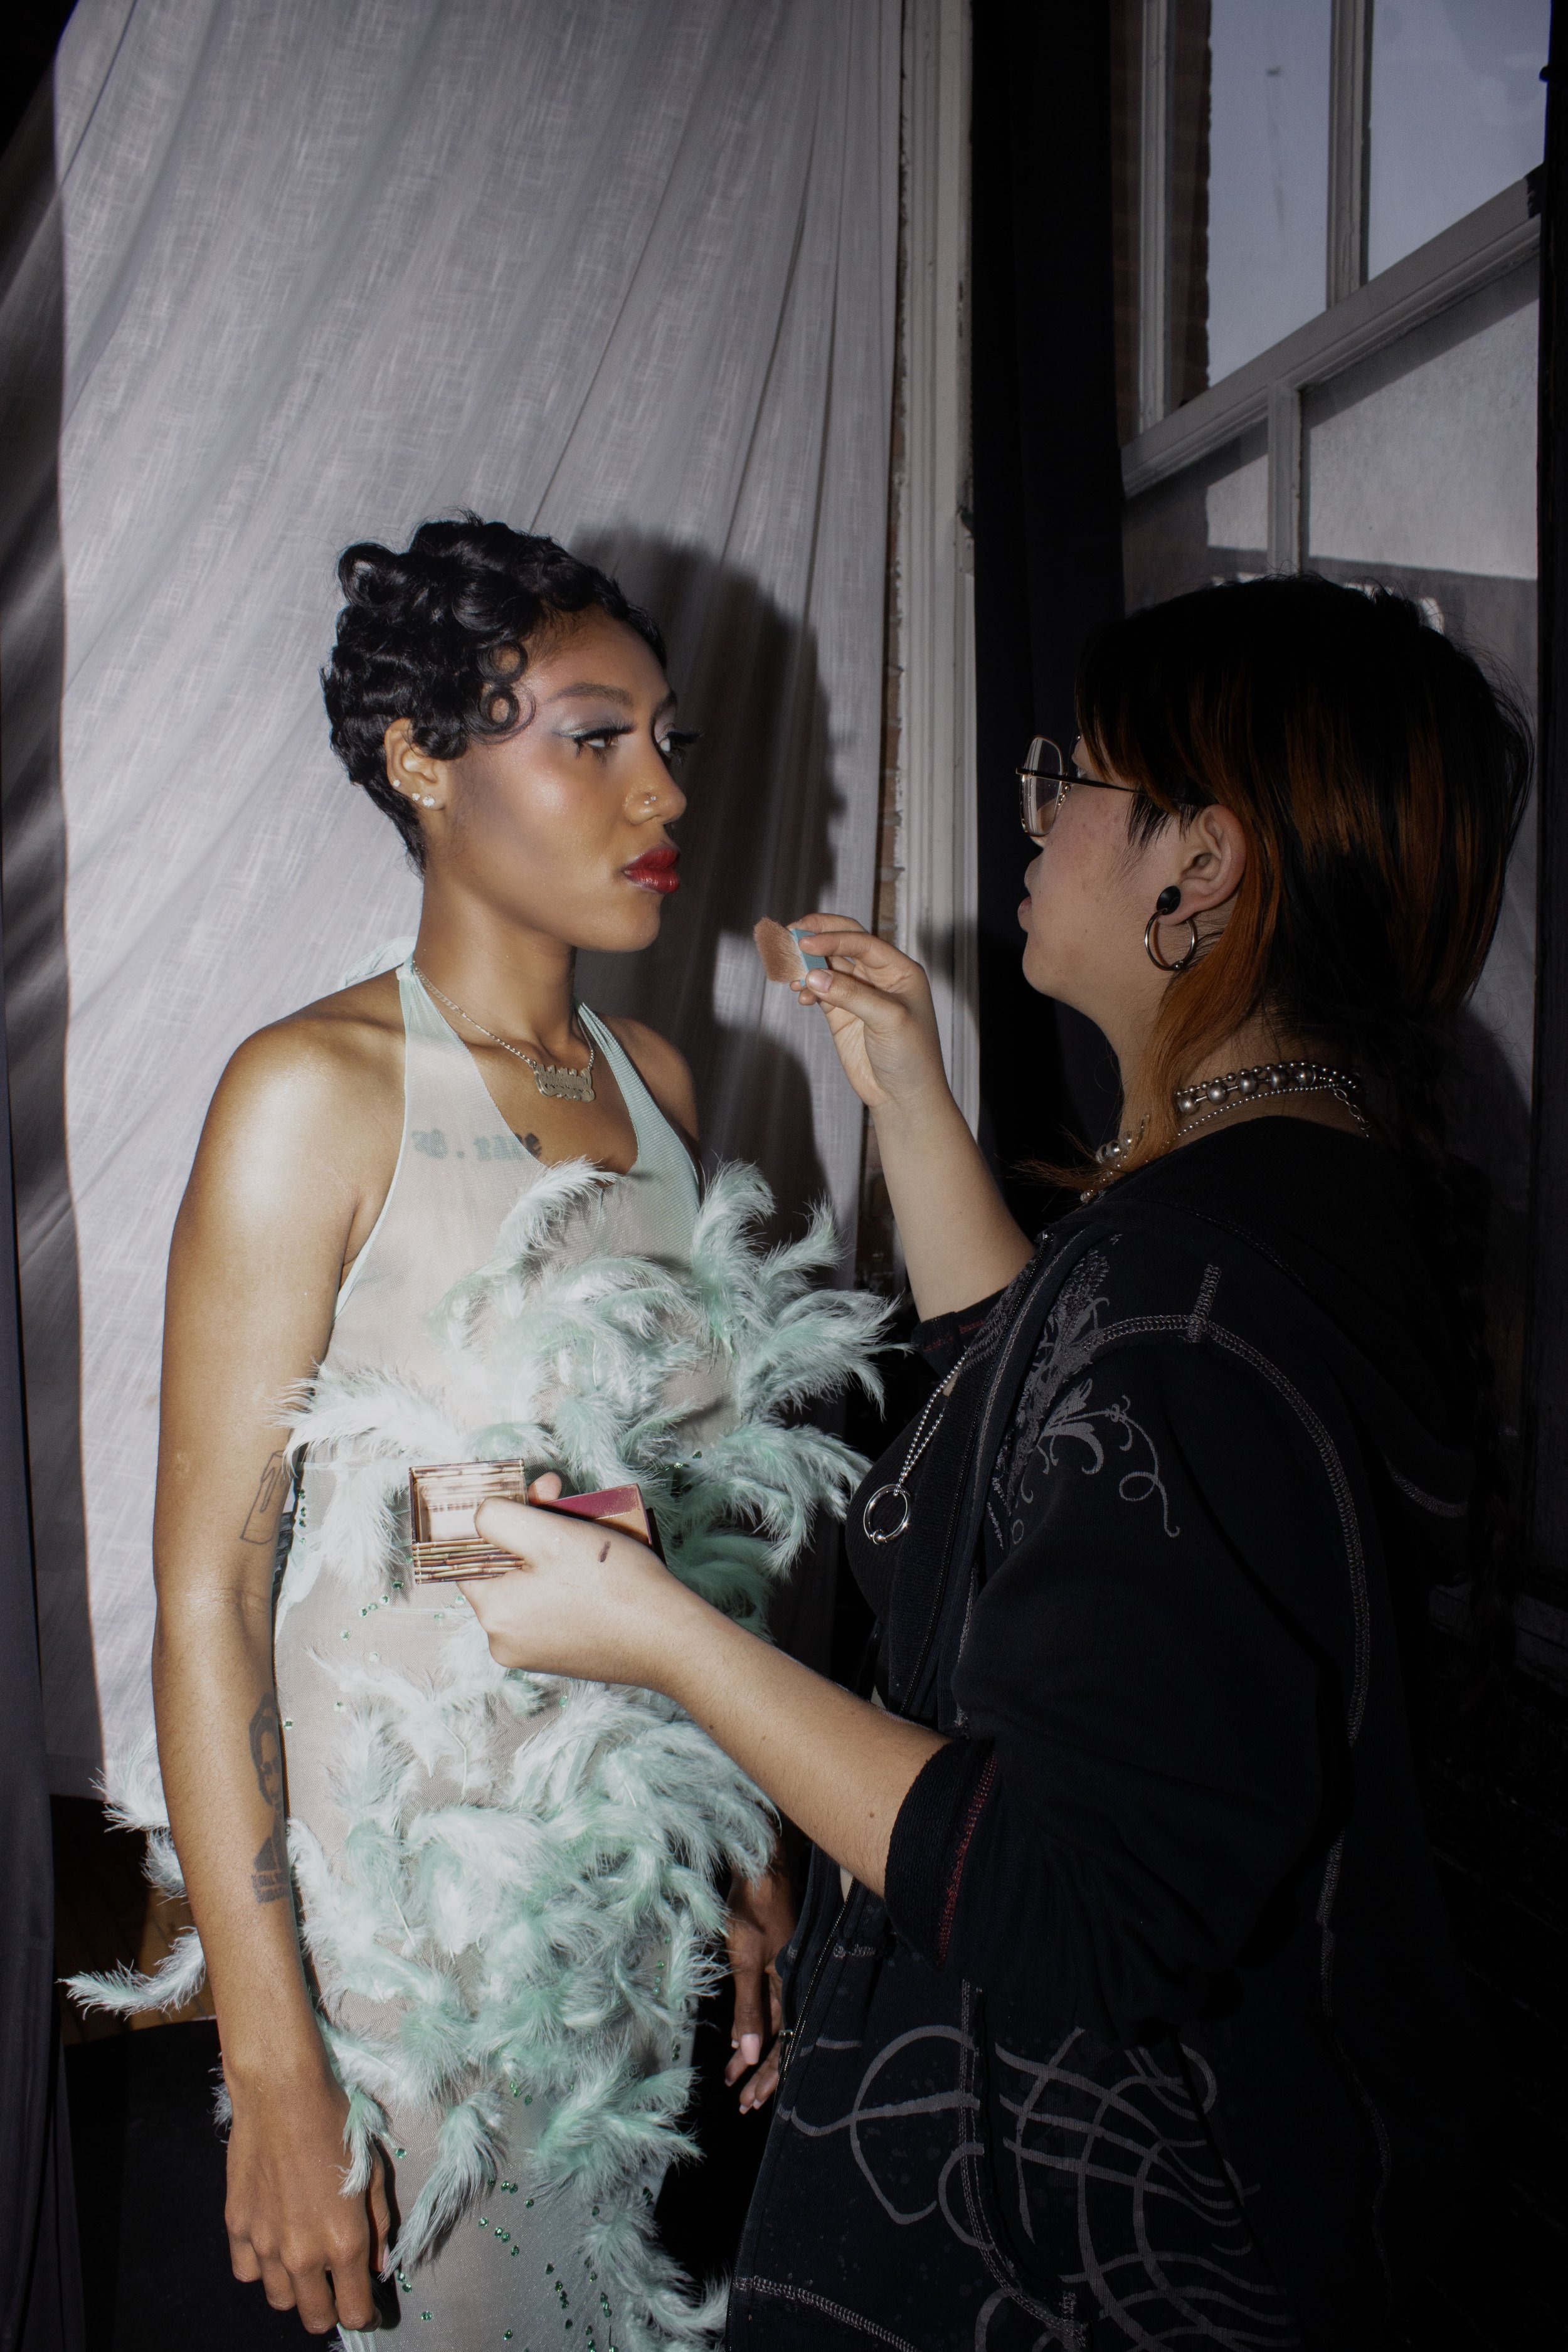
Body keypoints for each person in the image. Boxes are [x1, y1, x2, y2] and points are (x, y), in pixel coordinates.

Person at [457, 575, 1530, 2351]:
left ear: (1201, 864)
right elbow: (1072, 1448)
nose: (1038, 816)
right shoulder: (1327, 1196)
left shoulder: (1187, 1284)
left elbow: (1069, 1897)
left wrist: (659, 1634)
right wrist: (909, 1097)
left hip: (1095, 2255)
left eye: (1078, 778)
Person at [72, 519, 886, 2349]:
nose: (662, 790)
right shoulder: (310, 1093)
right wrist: (274, 2066)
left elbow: (679, 1516)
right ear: (422, 762)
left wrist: (740, 1829)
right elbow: (207, 1602)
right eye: (594, 738)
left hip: (631, 1925)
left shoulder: (663, 1086)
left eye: (666, 738)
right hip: (412, 1958)